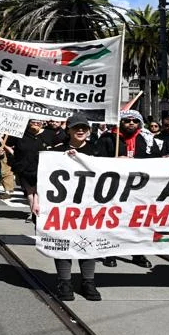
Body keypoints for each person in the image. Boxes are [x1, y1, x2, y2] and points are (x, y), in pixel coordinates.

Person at [39, 114, 104, 301]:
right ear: (68, 130)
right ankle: (64, 281)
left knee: (89, 241)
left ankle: (88, 281)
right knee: (63, 241)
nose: (80, 131)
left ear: (89, 130)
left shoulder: (97, 151)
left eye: (84, 127)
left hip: (91, 205)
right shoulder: (56, 152)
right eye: (76, 128)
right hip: (63, 205)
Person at [95, 109, 156, 268]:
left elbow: (155, 160)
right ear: (120, 122)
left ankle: (137, 253)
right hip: (113, 187)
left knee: (137, 221)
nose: (131, 123)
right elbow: (97, 161)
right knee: (113, 220)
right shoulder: (108, 138)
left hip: (139, 188)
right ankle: (110, 252)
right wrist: (114, 161)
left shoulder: (146, 139)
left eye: (134, 121)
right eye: (127, 120)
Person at [3, 119, 47, 224]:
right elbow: (6, 143)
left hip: (41, 167)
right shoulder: (20, 133)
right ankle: (33, 212)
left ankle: (35, 212)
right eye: (33, 122)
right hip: (23, 166)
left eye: (38, 122)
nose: (36, 123)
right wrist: (12, 152)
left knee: (37, 190)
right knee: (29, 191)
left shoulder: (48, 134)